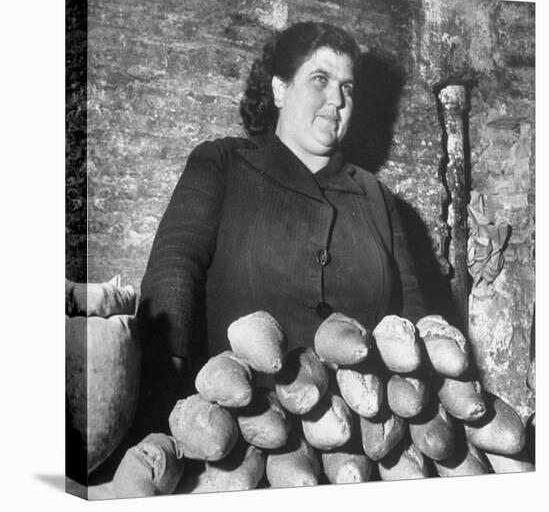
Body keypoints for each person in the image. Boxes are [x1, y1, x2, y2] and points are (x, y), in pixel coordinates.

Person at [137, 21, 425, 399]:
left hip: (361, 430)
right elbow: (174, 268)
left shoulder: (378, 198)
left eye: (347, 88)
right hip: (243, 423)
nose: (337, 100)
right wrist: (165, 383)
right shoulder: (223, 164)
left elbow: (413, 314)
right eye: (320, 79)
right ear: (279, 89)